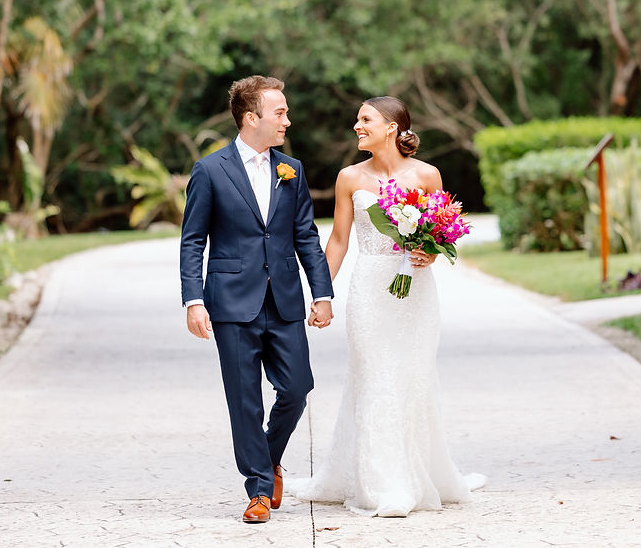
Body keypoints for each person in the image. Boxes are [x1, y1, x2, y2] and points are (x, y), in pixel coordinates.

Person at [286, 96, 485, 517]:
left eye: (365, 119)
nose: (356, 126)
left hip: (416, 293)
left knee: (413, 379)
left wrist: (431, 253)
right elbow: (338, 240)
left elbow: (445, 232)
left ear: (392, 127)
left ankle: (418, 473)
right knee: (374, 379)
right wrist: (321, 294)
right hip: (369, 291)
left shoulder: (426, 174)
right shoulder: (348, 178)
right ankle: (385, 484)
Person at [179, 75, 334, 523]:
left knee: (297, 387)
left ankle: (267, 459)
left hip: (283, 297)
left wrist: (321, 293)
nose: (287, 119)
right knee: (244, 397)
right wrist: (194, 300)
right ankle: (259, 492)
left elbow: (305, 234)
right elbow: (193, 241)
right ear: (252, 118)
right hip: (230, 301)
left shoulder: (293, 170)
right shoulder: (209, 170)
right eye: (279, 112)